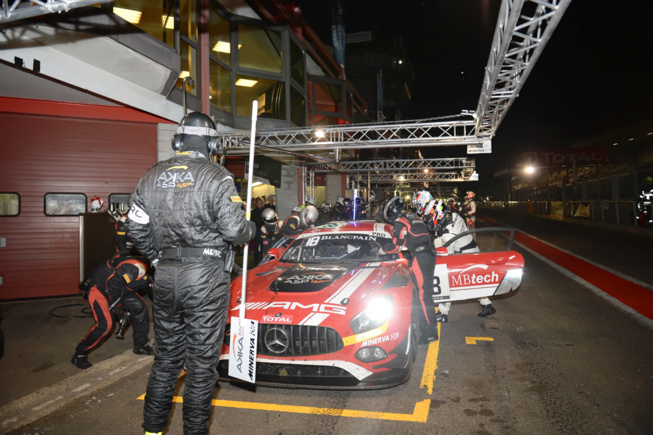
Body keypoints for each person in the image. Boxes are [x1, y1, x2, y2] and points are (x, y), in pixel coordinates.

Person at [126, 111, 255, 435]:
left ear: (179, 140)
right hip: (206, 279)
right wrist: (251, 227)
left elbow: (134, 228)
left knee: (166, 360)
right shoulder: (218, 177)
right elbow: (235, 230)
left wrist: (158, 259)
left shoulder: (150, 176)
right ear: (213, 143)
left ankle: (152, 431)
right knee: (200, 367)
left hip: (166, 277)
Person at [72, 256, 153, 369]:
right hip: (100, 288)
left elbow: (152, 288)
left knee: (140, 306)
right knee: (106, 325)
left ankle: (140, 345)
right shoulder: (135, 268)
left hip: (121, 288)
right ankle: (80, 354)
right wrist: (119, 310)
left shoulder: (156, 270)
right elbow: (113, 285)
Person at [381, 197, 438, 343]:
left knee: (423, 296)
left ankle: (429, 332)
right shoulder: (413, 217)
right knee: (424, 293)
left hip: (421, 256)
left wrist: (382, 249)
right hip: (429, 254)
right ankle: (427, 328)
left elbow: (396, 245)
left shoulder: (400, 221)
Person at [432, 200, 495, 321]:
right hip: (471, 249)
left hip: (465, 255)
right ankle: (487, 305)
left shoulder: (448, 234)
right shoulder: (454, 216)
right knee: (474, 282)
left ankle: (443, 313)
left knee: (447, 281)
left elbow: (446, 256)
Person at [251, 197, 265, 264]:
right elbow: (252, 222)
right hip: (256, 231)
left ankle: (262, 259)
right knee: (256, 246)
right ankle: (256, 260)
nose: (260, 204)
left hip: (263, 231)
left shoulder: (264, 211)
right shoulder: (253, 212)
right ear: (256, 204)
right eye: (259, 203)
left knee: (263, 246)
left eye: (261, 203)